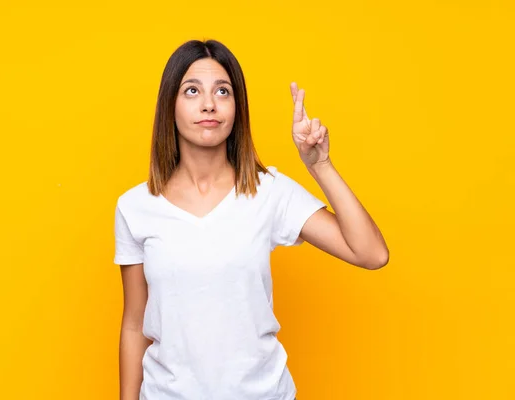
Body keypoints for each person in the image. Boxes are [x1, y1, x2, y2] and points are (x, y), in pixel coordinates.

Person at [114, 39, 389, 400]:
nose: (209, 104)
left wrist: (318, 164)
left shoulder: (269, 192)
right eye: (192, 90)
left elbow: (371, 254)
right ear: (170, 105)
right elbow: (135, 324)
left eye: (223, 91)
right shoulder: (135, 207)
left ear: (237, 107)